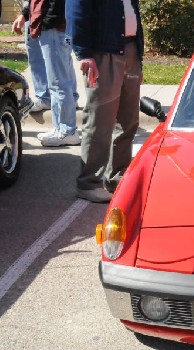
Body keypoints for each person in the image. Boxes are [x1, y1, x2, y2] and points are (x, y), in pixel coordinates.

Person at [66, 0, 144, 203]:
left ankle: (117, 178)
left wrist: (138, 56)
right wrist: (83, 53)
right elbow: (77, 11)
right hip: (103, 54)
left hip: (129, 49)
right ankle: (88, 183)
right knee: (99, 122)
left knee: (128, 122)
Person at [22, 0, 80, 147]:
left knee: (58, 82)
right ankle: (60, 128)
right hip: (57, 27)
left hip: (54, 27)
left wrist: (46, 21)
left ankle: (67, 131)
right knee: (59, 80)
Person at [11, 1, 79, 115]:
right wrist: (26, 14)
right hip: (37, 14)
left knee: (61, 59)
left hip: (52, 20)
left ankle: (65, 102)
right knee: (40, 56)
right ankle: (50, 98)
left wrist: (47, 22)